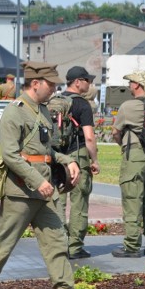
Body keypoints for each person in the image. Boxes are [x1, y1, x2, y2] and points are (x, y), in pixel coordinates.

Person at [0, 62, 102, 289]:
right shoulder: (14, 113)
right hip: (21, 192)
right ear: (35, 83)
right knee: (3, 245)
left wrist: (67, 161)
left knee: (57, 244)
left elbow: (46, 151)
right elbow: (10, 155)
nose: (54, 89)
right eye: (50, 85)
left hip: (44, 192)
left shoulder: (42, 110)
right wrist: (36, 181)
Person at [110, 70, 145, 258]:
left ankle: (132, 246)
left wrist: (122, 144)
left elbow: (116, 132)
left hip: (135, 154)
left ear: (137, 85)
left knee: (132, 199)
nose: (129, 86)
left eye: (130, 82)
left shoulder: (128, 106)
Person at [54, 66, 100, 259]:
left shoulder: (54, 100)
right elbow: (89, 138)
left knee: (58, 201)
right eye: (87, 80)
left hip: (57, 156)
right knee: (79, 201)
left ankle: (58, 244)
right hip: (77, 154)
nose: (89, 84)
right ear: (77, 82)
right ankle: (75, 247)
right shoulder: (82, 105)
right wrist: (94, 160)